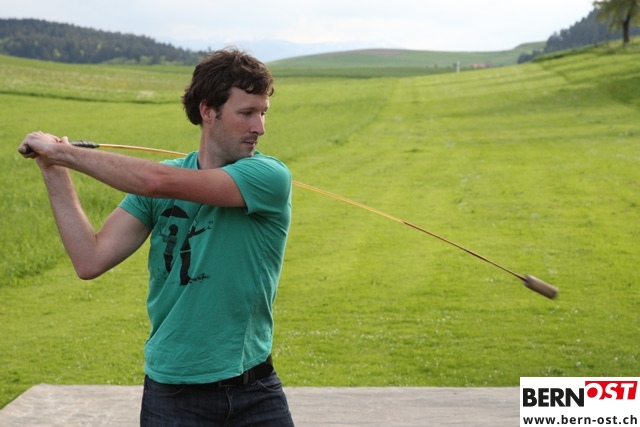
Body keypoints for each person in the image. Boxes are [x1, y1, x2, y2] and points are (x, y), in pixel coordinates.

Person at [19, 47, 295, 427]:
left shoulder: (268, 178)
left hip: (254, 391)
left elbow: (155, 181)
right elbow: (90, 259)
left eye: (263, 112)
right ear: (208, 111)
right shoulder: (163, 181)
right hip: (173, 395)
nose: (259, 127)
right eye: (246, 113)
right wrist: (54, 169)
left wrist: (64, 153)